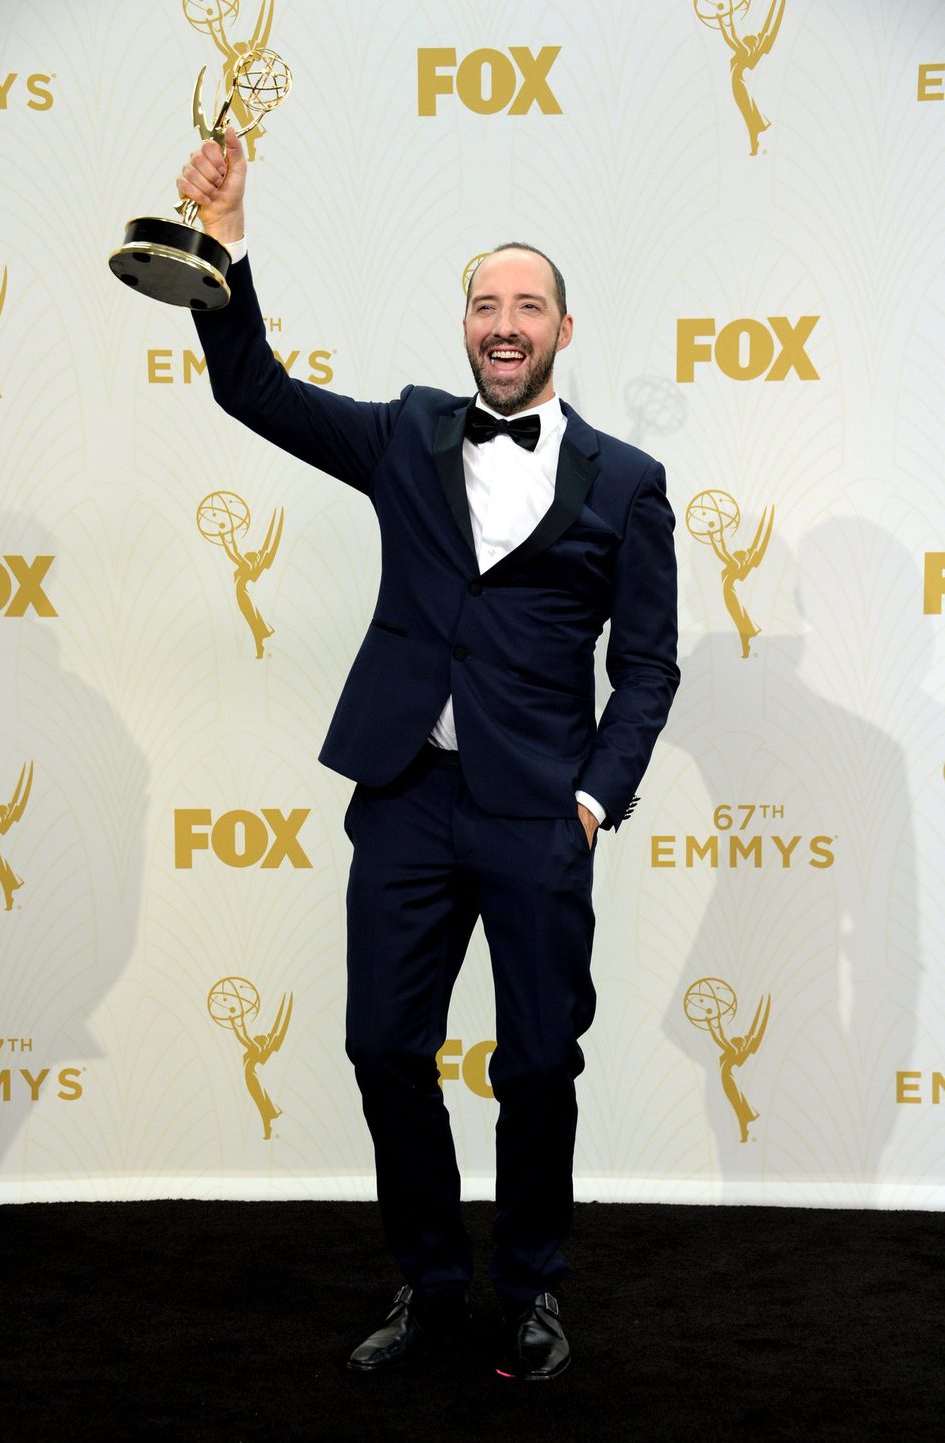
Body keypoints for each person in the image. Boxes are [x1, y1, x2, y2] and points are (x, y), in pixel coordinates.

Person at [178, 127, 680, 1381]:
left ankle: (534, 1291)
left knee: (535, 1065)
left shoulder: (629, 483)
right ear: (465, 326)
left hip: (536, 814)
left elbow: (652, 666)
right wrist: (226, 241)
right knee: (383, 1047)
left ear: (566, 329)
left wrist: (592, 800)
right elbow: (256, 391)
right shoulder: (405, 434)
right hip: (406, 795)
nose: (503, 324)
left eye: (527, 307)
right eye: (483, 305)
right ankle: (428, 1277)